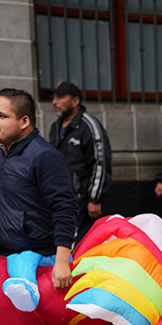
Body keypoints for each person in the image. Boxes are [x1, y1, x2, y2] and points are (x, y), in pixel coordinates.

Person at [0, 88, 79, 313]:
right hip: (4, 256)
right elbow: (5, 202)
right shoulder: (7, 153)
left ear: (24, 121)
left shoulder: (44, 156)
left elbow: (64, 208)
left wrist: (62, 262)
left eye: (2, 116)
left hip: (40, 264)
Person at [47, 81, 111, 238]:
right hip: (60, 200)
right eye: (54, 97)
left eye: (61, 97)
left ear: (75, 101)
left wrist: (94, 199)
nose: (55, 102)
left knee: (80, 246)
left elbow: (100, 162)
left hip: (82, 203)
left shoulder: (89, 125)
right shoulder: (56, 126)